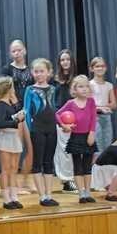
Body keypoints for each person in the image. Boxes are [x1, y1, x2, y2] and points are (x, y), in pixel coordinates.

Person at [23, 59, 60, 207]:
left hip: (51, 128)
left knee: (49, 162)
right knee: (37, 161)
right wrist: (28, 130)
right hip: (36, 129)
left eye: (42, 71)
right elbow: (26, 111)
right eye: (36, 71)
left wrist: (61, 124)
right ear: (32, 73)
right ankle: (42, 196)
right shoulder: (30, 90)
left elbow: (55, 109)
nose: (39, 74)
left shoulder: (53, 89)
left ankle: (49, 194)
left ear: (49, 72)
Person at [1, 39, 36, 194]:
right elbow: (5, 89)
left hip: (28, 111)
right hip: (15, 112)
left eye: (19, 50)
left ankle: (25, 180)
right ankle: (14, 184)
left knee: (32, 149)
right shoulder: (7, 69)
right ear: (10, 53)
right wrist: (16, 108)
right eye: (13, 51)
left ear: (25, 51)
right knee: (16, 150)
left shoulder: (30, 70)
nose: (17, 53)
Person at [57, 75, 98, 203]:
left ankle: (88, 192)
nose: (84, 89)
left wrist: (92, 133)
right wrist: (64, 125)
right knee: (78, 166)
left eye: (86, 86)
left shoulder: (91, 102)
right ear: (74, 89)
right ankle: (81, 193)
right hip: (75, 138)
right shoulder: (70, 103)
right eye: (81, 86)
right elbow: (57, 114)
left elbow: (93, 118)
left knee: (87, 166)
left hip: (88, 137)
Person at [0, 77, 25, 209]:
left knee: (14, 168)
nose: (14, 90)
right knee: (5, 169)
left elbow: (17, 113)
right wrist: (17, 120)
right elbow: (1, 123)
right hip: (4, 137)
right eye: (13, 88)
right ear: (8, 89)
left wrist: (18, 111)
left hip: (13, 136)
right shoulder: (0, 105)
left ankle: (14, 196)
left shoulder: (10, 104)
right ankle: (6, 199)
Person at [53, 49, 77, 192]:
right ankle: (67, 180)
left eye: (67, 59)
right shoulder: (56, 80)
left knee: (75, 152)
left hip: (76, 121)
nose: (65, 62)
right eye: (62, 60)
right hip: (61, 120)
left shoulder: (77, 79)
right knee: (64, 151)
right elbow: (55, 102)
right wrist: (60, 122)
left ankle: (76, 178)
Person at [89, 57, 116, 151]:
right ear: (92, 69)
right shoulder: (89, 84)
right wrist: (101, 107)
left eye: (102, 66)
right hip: (94, 117)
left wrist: (100, 106)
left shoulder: (109, 85)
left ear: (106, 68)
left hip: (107, 116)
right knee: (97, 145)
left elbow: (114, 104)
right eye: (97, 66)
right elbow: (89, 104)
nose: (100, 68)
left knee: (107, 144)